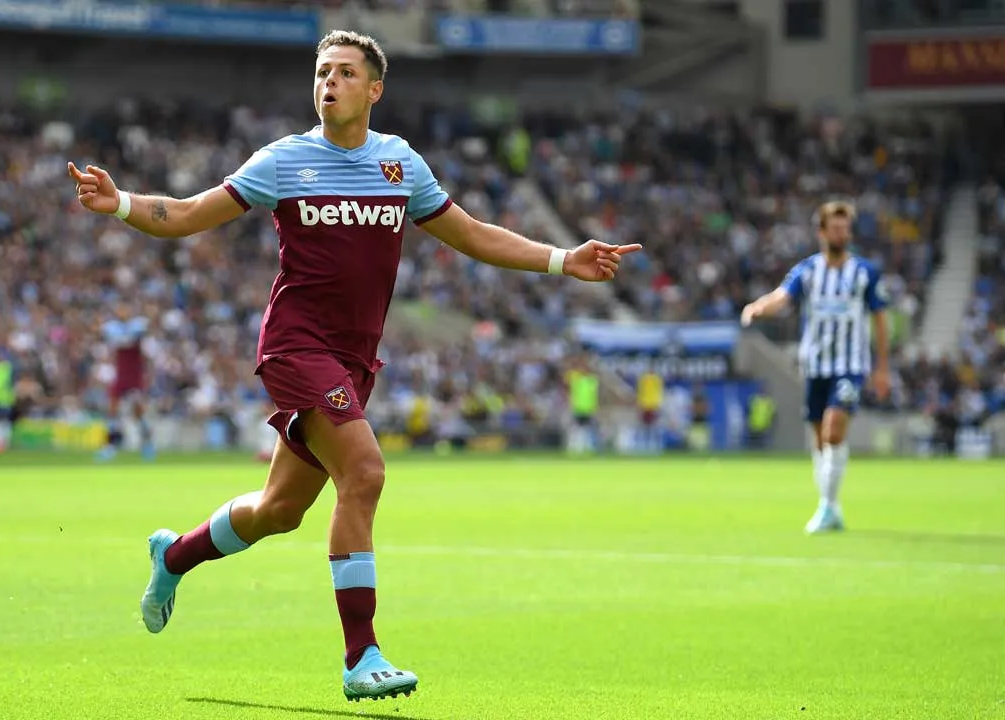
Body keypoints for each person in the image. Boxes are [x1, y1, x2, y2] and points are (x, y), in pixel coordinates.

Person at [68, 30, 640, 702]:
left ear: (374, 89)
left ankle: (174, 556)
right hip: (295, 346)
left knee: (280, 510)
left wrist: (561, 258)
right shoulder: (283, 161)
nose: (327, 83)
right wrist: (124, 204)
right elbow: (190, 213)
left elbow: (474, 235)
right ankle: (360, 654)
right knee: (365, 472)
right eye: (320, 73)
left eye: (343, 72)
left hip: (354, 360)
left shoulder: (400, 165)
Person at [740, 201, 890, 534]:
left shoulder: (865, 272)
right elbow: (782, 297)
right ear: (821, 232)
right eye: (835, 228)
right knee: (819, 439)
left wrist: (882, 367)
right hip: (816, 364)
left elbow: (880, 318)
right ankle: (831, 506)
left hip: (849, 365)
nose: (841, 234)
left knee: (834, 428)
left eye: (845, 228)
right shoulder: (808, 271)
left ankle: (825, 507)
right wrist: (757, 307)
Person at [99, 305, 155, 462]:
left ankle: (147, 444)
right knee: (112, 410)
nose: (122, 312)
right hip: (121, 374)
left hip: (134, 375)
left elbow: (133, 341)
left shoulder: (137, 327)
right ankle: (109, 446)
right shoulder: (113, 328)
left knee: (137, 411)